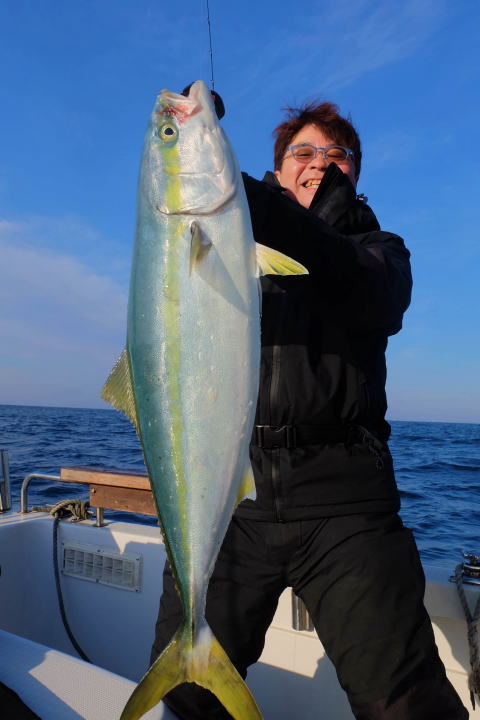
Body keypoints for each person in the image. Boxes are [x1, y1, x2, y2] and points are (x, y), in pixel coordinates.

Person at [150, 95, 469, 719]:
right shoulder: (225, 242)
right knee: (188, 701)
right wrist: (202, 171)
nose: (320, 162)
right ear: (277, 171)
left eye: (337, 154)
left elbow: (361, 285)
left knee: (405, 704)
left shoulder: (380, 249)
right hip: (233, 498)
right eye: (303, 152)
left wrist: (244, 198)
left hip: (346, 503)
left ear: (356, 173)